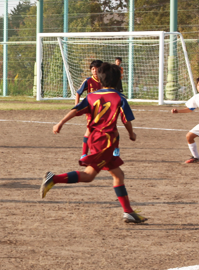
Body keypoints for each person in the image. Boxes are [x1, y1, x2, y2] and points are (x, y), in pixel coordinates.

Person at [40, 62, 146, 224]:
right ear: (117, 80)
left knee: (118, 175)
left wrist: (60, 122)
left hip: (96, 138)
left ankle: (128, 212)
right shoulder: (119, 98)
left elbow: (75, 110)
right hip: (105, 141)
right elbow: (126, 120)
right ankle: (53, 178)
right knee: (89, 176)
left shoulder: (91, 96)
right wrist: (131, 133)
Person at [74, 60, 104, 159]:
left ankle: (114, 150)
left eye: (97, 69)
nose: (94, 71)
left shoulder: (105, 81)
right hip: (92, 111)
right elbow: (78, 93)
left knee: (110, 130)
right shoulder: (88, 81)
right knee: (89, 130)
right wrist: (77, 106)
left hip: (104, 110)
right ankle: (84, 154)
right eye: (92, 69)